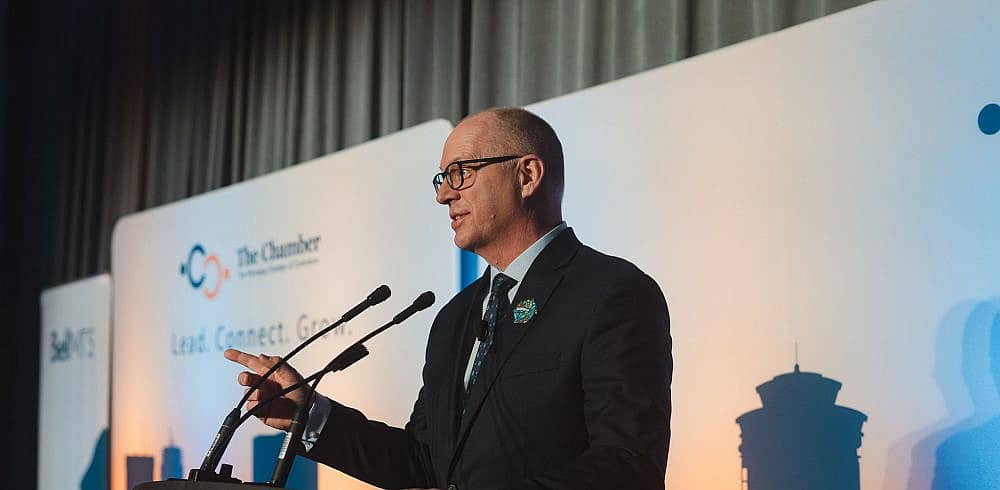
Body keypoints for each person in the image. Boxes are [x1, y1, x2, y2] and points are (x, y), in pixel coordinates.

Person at [225, 107, 672, 490]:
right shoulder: (455, 317)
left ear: (527, 175)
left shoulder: (611, 292)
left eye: (461, 173)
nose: (443, 195)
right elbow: (425, 462)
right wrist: (312, 414)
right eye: (441, 178)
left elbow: (627, 466)